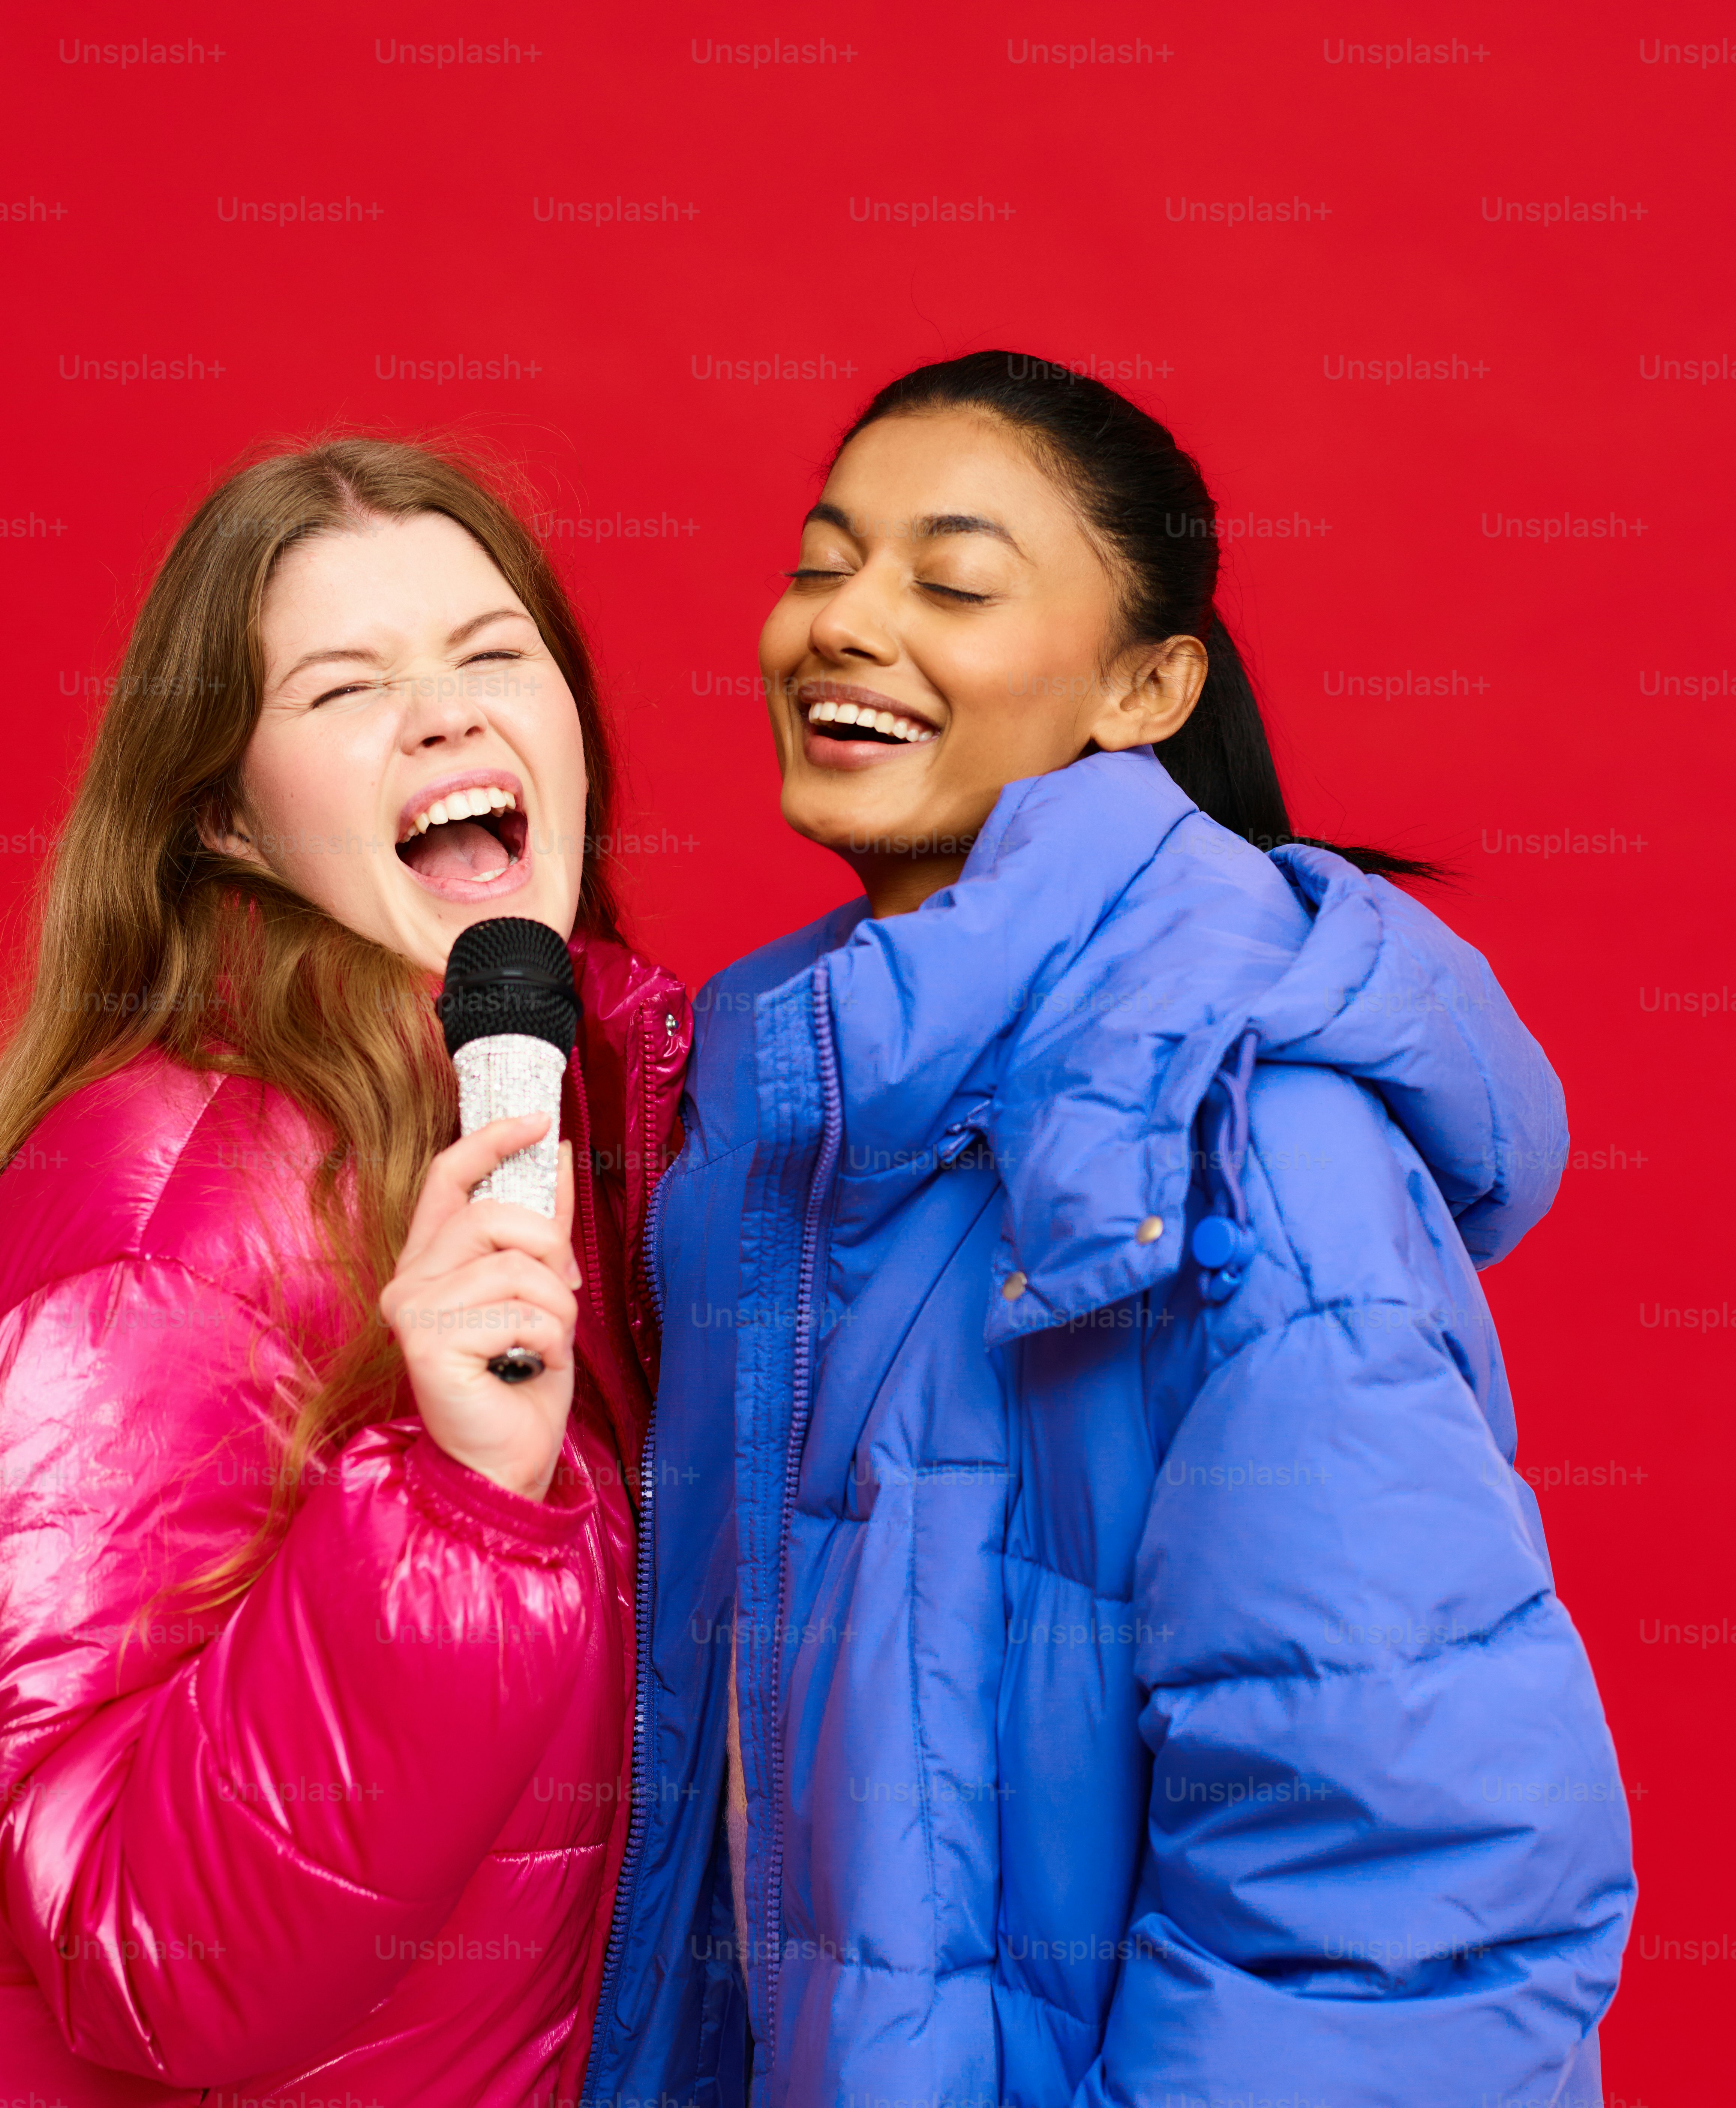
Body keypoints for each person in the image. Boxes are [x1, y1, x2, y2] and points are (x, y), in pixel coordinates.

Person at [580, 353, 1636, 2108]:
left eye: (952, 582)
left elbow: (1407, 1893)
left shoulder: (1240, 1137)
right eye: (824, 563)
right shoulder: (776, 1118)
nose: (846, 622)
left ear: (1148, 687)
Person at [0, 439, 689, 2106]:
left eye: (493, 654)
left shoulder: (564, 1128)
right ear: (225, 816)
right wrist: (459, 1507)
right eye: (348, 686)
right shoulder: (168, 1216)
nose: (446, 717)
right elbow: (149, 1959)